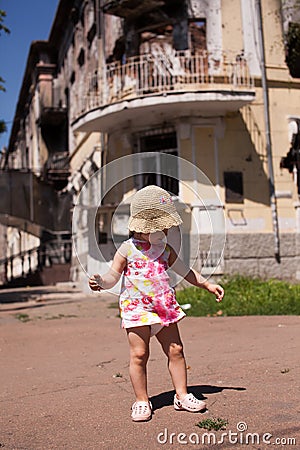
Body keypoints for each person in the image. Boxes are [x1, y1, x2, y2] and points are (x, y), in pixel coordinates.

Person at [89, 185, 224, 422]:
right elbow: (113, 277)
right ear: (144, 226)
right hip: (136, 309)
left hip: (163, 309)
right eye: (160, 225)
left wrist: (206, 284)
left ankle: (181, 395)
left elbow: (185, 271)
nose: (164, 229)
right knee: (139, 355)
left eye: (165, 225)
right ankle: (142, 400)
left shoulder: (165, 249)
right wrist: (101, 281)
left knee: (176, 350)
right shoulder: (127, 249)